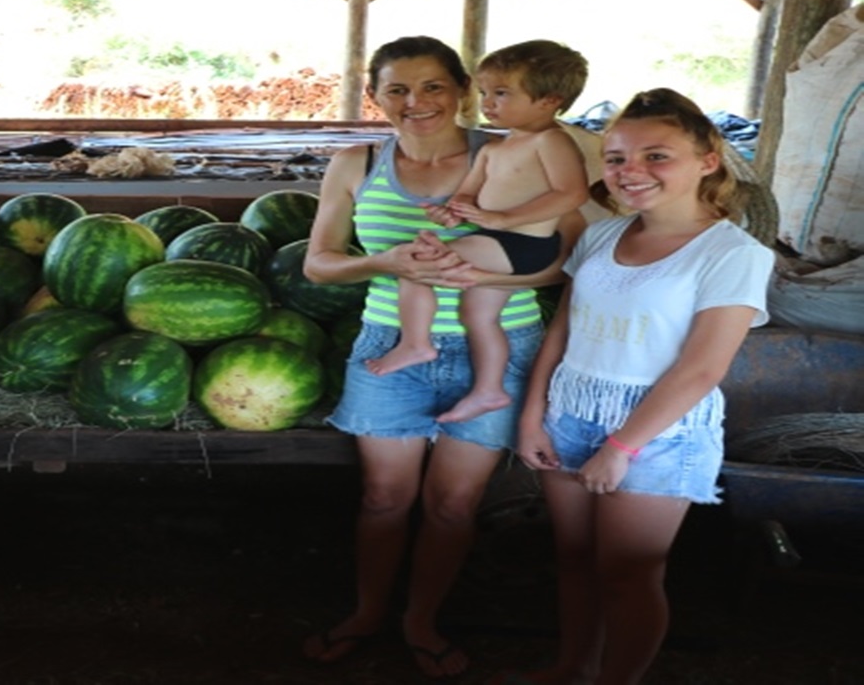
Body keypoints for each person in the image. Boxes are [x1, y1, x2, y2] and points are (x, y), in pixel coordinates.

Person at [300, 36, 586, 679]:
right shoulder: (356, 162)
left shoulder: (517, 148)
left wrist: (484, 282)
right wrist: (386, 261)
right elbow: (318, 265)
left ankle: (421, 621)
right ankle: (369, 613)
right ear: (375, 96)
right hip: (388, 343)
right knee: (382, 497)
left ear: (462, 90)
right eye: (396, 88)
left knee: (454, 505)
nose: (416, 102)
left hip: (501, 344)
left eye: (432, 86)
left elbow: (567, 258)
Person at [507, 89, 774, 685]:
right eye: (617, 157)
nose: (631, 172)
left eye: (657, 156)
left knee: (629, 573)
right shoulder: (604, 237)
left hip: (658, 430)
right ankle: (572, 668)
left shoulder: (732, 254)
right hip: (572, 408)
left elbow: (701, 369)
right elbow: (563, 330)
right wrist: (533, 415)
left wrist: (621, 447)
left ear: (709, 160)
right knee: (575, 561)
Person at [370, 40, 591, 425]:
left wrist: (505, 219)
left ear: (549, 100)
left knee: (418, 259)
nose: (488, 103)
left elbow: (571, 193)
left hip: (523, 243)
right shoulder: (496, 148)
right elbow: (468, 193)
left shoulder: (551, 141)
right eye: (486, 92)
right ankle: (489, 389)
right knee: (479, 317)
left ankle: (415, 343)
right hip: (501, 243)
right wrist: (451, 214)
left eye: (502, 94)